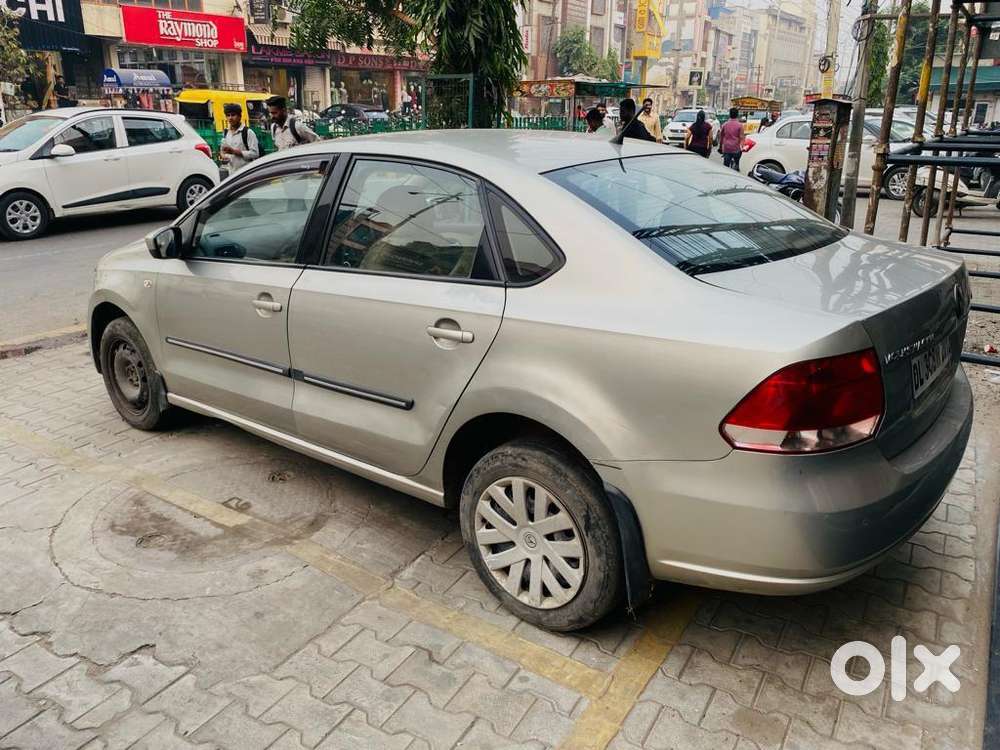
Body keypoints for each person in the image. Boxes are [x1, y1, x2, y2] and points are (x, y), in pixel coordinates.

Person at [220, 103, 259, 176]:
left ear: (239, 116)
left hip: (246, 174)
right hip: (231, 174)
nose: (230, 118)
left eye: (233, 115)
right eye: (228, 115)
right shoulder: (226, 132)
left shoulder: (248, 132)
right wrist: (223, 156)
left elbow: (255, 154)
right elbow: (222, 151)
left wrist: (235, 152)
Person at [719, 106, 745, 170]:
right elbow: (742, 138)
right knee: (737, 165)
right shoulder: (740, 125)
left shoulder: (725, 125)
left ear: (729, 114)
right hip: (736, 149)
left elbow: (721, 137)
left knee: (726, 167)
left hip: (727, 149)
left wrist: (720, 147)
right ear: (737, 115)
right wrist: (742, 147)